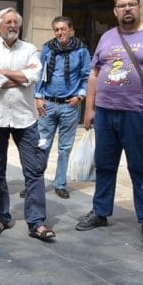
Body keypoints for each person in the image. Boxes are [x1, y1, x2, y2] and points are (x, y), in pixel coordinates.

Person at [76, 0, 143, 244]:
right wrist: (89, 109)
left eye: (132, 4)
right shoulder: (108, 37)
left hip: (137, 113)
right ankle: (100, 212)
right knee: (104, 165)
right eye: (122, 5)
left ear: (139, 7)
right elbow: (94, 73)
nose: (127, 9)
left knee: (140, 167)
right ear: (115, 11)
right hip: (105, 113)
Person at [0, 7, 55, 242]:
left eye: (15, 22)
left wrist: (4, 73)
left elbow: (35, 76)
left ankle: (36, 221)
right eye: (8, 22)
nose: (13, 25)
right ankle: (0, 216)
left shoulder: (30, 49)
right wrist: (21, 77)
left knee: (34, 170)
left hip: (25, 118)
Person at [34, 16, 91, 199]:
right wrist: (38, 97)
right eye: (56, 30)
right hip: (48, 104)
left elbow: (87, 75)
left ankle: (60, 184)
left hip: (69, 106)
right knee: (42, 145)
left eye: (63, 29)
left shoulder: (81, 50)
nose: (59, 33)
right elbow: (40, 73)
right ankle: (35, 183)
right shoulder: (47, 48)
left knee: (65, 148)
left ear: (71, 30)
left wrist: (80, 96)